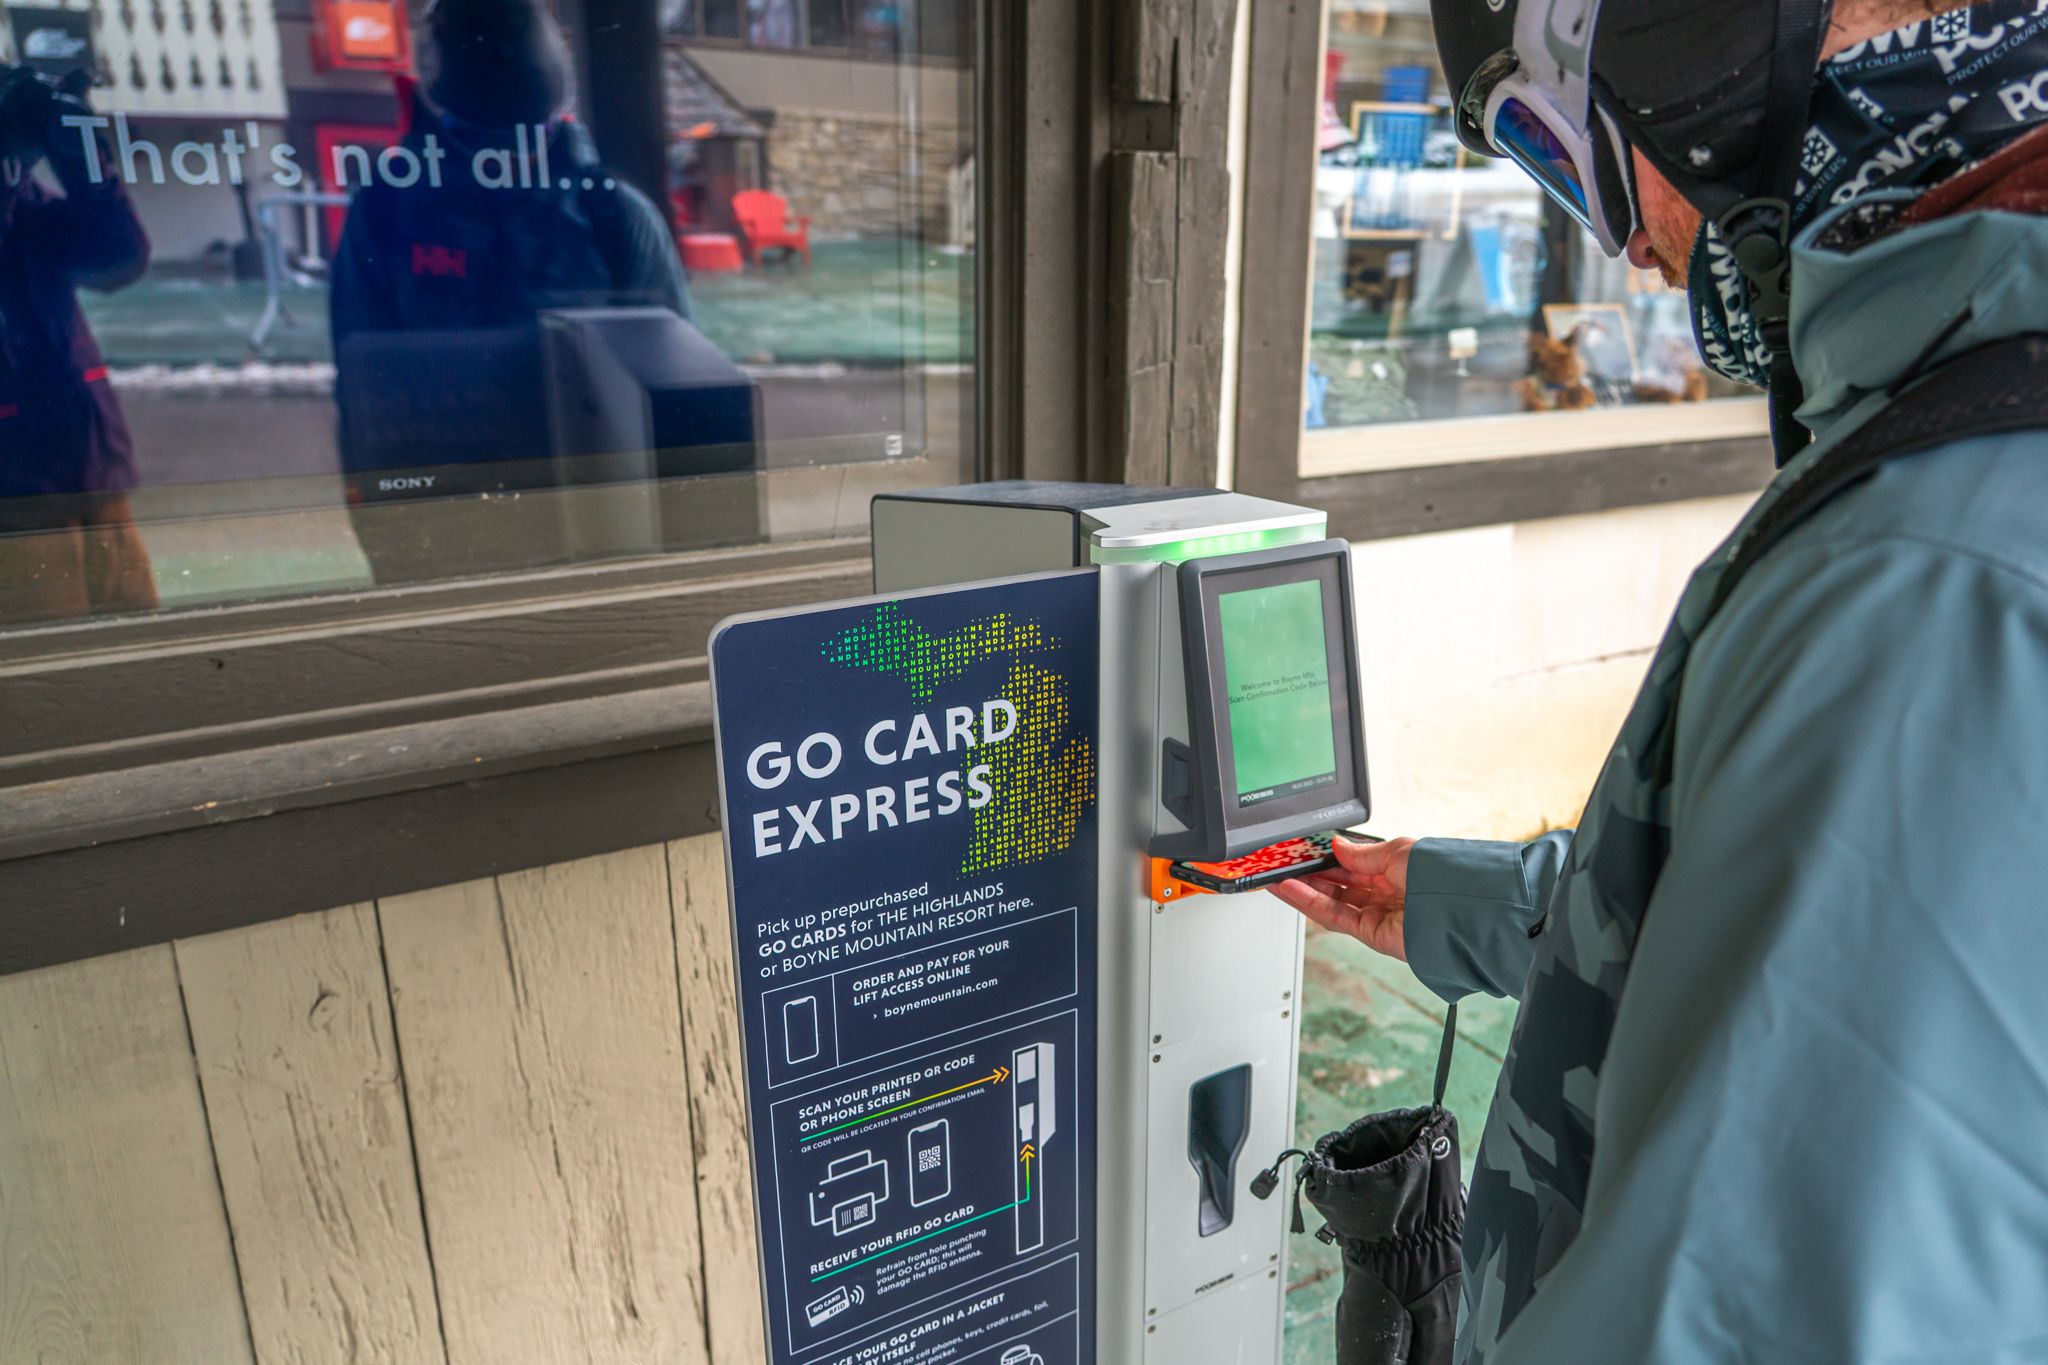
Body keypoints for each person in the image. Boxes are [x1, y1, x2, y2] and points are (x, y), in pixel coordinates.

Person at [1277, 0, 2048, 1359]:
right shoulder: (1964, 446)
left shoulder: (1923, 569)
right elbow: (1832, 939)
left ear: (1683, 44)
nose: (1628, 244)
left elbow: (1753, 1307)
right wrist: (1468, 906)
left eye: (1562, 148)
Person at [0, 65, 155, 621]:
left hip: (94, 478)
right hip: (17, 503)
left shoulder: (27, 205)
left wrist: (70, 140)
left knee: (142, 662)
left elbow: (119, 256)